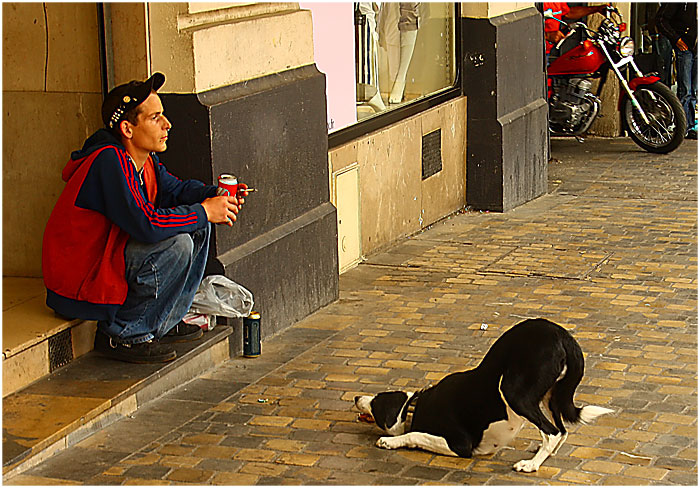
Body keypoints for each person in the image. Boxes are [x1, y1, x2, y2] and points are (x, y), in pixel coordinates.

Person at [42, 73, 247, 363]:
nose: (167, 125)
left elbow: (177, 191)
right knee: (179, 243)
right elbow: (145, 224)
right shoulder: (108, 161)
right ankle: (122, 334)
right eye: (156, 118)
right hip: (82, 280)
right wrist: (204, 210)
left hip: (109, 260)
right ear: (127, 128)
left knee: (199, 226)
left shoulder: (144, 160)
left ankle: (165, 320)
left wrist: (214, 195)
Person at [657, 2, 697, 139]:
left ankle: (690, 125)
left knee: (694, 89)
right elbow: (661, 20)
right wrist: (677, 39)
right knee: (685, 89)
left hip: (695, 46)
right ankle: (682, 126)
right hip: (685, 46)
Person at [543, 2, 609, 59]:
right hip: (535, 49)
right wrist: (546, 35)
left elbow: (568, 13)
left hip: (546, 50)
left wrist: (596, 9)